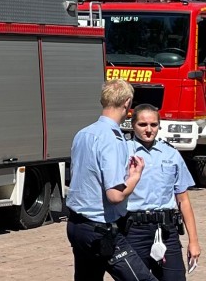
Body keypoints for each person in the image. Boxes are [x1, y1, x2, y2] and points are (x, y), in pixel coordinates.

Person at [66, 79, 156, 280]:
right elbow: (115, 195)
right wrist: (135, 176)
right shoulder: (112, 139)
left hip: (76, 225)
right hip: (100, 229)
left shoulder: (83, 133)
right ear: (127, 102)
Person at [125, 104, 201, 280]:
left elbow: (183, 200)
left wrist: (194, 241)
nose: (149, 130)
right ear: (133, 125)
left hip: (166, 231)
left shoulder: (171, 154)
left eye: (154, 125)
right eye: (142, 124)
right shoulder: (123, 151)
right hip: (134, 230)